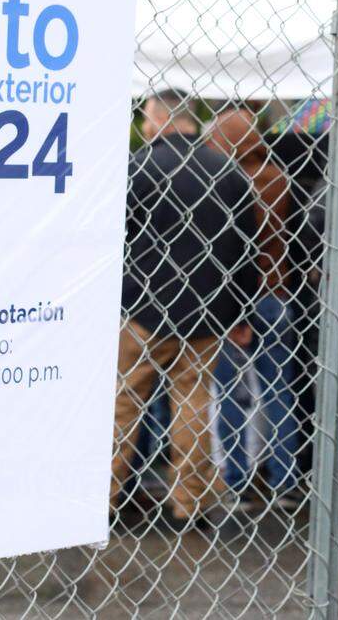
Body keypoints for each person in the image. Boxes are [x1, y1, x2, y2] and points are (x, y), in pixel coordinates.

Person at [113, 91, 258, 530]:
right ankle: (189, 503)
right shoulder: (228, 172)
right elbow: (243, 251)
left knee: (123, 402)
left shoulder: (137, 168)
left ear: (157, 117)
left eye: (143, 115)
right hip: (207, 313)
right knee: (193, 403)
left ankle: (108, 496)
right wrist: (241, 313)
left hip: (141, 308)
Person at [207, 108, 301, 510]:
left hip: (236, 300)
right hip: (277, 296)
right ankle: (286, 479)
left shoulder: (225, 181)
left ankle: (240, 481)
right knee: (278, 390)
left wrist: (236, 311)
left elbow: (229, 252)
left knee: (230, 392)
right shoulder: (279, 178)